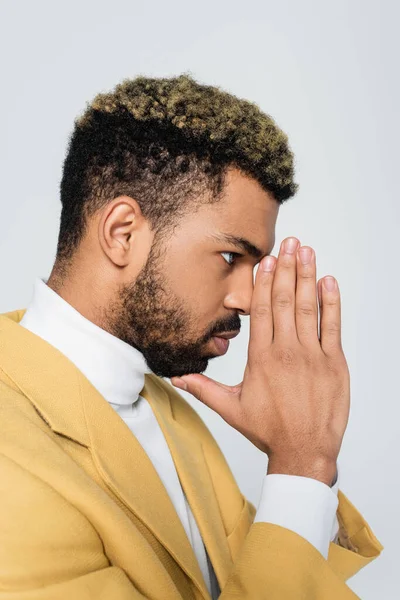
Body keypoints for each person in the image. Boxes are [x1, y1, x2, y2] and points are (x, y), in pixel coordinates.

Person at [0, 73, 383, 599]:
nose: (248, 298)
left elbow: (259, 571)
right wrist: (302, 466)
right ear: (122, 233)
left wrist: (306, 460)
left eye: (257, 264)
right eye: (231, 257)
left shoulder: (169, 406)